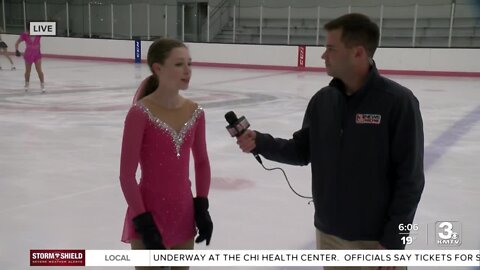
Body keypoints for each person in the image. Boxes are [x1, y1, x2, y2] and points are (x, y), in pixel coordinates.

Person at [236, 13, 424, 270]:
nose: (324, 56)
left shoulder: (398, 103)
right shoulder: (323, 100)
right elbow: (302, 150)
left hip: (377, 243)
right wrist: (260, 142)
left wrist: (395, 242)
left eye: (331, 49)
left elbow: (411, 180)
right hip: (329, 236)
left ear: (358, 53)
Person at [119, 38, 213, 270]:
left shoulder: (195, 112)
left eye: (189, 63)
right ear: (158, 68)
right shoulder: (139, 114)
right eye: (179, 64)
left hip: (183, 213)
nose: (187, 70)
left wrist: (201, 206)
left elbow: (201, 162)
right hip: (147, 212)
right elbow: (126, 176)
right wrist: (143, 222)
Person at [15, 23, 45, 92]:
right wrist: (16, 50)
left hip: (37, 55)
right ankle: (27, 84)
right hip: (28, 55)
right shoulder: (25, 35)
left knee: (39, 70)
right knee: (28, 71)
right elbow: (17, 43)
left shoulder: (38, 33)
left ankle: (42, 85)